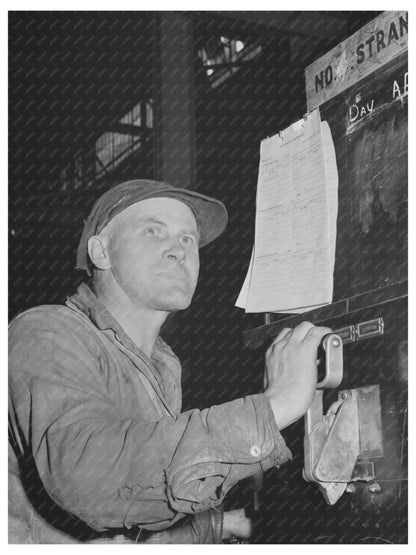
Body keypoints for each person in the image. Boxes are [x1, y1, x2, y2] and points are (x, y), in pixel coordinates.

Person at [8, 179, 331, 544]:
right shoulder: (45, 332)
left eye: (187, 239)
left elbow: (136, 521)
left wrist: (220, 525)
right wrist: (277, 405)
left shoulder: (161, 364)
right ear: (101, 252)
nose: (179, 250)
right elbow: (92, 480)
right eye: (152, 231)